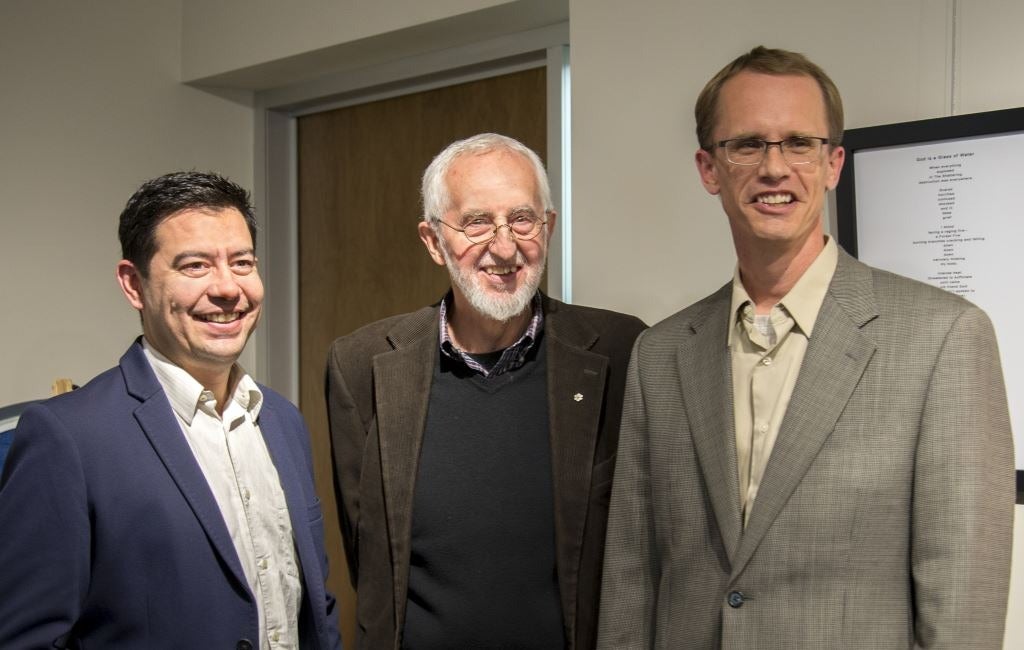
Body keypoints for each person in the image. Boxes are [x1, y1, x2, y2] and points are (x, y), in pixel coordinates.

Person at [598, 46, 1014, 649]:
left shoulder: (943, 338)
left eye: (799, 143)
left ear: (833, 164)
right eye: (747, 144)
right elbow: (634, 576)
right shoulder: (660, 355)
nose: (775, 168)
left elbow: (964, 600)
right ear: (709, 169)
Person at [326, 133, 646, 649]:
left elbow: (644, 548)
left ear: (550, 227)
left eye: (523, 219)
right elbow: (371, 564)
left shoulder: (621, 352)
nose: (504, 246)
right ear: (433, 241)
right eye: (477, 222)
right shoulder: (362, 365)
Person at [0, 171, 342, 650]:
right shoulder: (68, 438)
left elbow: (314, 606)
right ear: (133, 284)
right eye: (195, 265)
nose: (228, 288)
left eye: (242, 262)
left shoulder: (282, 420)